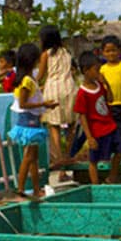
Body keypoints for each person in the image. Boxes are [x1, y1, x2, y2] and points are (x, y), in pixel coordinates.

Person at [7, 43, 57, 198]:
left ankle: (36, 188)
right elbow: (23, 104)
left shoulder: (27, 79)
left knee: (33, 158)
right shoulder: (27, 81)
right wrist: (44, 104)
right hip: (29, 122)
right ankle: (20, 187)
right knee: (29, 156)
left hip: (31, 121)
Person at [73, 51, 121, 184]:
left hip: (110, 126)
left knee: (119, 151)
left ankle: (111, 177)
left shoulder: (99, 85)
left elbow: (110, 99)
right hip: (96, 130)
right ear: (86, 70)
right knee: (93, 160)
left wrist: (106, 83)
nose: (98, 73)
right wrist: (89, 137)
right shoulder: (82, 93)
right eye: (96, 70)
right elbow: (82, 116)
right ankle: (95, 185)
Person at [37, 25, 76, 166]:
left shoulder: (46, 54)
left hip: (53, 89)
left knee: (54, 126)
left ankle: (59, 159)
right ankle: (68, 155)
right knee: (71, 125)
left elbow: (41, 76)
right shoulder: (66, 52)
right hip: (70, 87)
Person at [98, 34, 121, 160]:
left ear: (119, 51)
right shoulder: (102, 69)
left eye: (114, 50)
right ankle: (110, 155)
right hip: (106, 107)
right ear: (103, 53)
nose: (111, 54)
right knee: (107, 132)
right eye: (107, 51)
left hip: (120, 105)